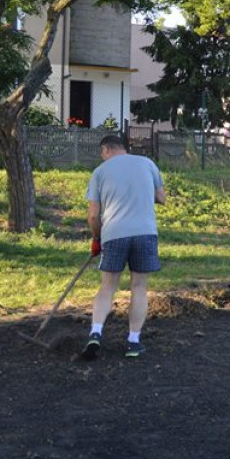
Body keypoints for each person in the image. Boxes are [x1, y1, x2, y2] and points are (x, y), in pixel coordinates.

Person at [82, 135, 167, 359]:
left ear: (106, 149)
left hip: (114, 234)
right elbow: (162, 197)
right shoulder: (148, 164)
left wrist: (97, 238)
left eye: (102, 153)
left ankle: (96, 332)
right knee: (139, 286)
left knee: (108, 286)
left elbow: (93, 215)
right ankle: (133, 342)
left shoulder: (100, 172)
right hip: (145, 233)